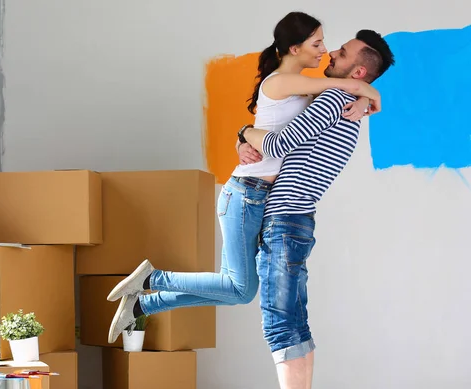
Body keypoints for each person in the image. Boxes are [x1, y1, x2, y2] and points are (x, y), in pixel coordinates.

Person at [106, 11, 381, 347]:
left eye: (329, 45)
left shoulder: (309, 91)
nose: (325, 50)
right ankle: (152, 279)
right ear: (295, 49)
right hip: (246, 193)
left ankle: (143, 302)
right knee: (239, 288)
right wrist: (366, 93)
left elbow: (337, 93)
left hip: (256, 195)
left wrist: (365, 96)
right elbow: (343, 86)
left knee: (238, 290)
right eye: (318, 43)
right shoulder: (283, 82)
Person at [236, 30, 395, 389]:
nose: (333, 53)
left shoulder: (331, 99)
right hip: (298, 221)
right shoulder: (349, 105)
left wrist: (245, 131)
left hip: (284, 220)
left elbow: (279, 143)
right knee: (295, 322)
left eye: (343, 52)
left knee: (280, 324)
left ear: (357, 72)